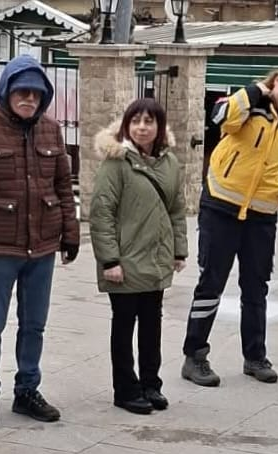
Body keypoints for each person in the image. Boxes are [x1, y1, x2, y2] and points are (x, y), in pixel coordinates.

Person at [0, 54, 79, 428]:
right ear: (6, 91)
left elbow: (63, 185)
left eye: (36, 94)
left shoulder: (51, 130)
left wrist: (70, 233)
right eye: (22, 92)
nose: (29, 99)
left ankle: (27, 390)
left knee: (34, 324)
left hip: (41, 246)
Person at [181, 59, 278, 389]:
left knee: (256, 288)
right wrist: (256, 90)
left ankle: (255, 357)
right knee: (211, 284)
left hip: (261, 217)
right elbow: (220, 117)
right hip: (220, 207)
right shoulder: (247, 105)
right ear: (277, 81)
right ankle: (194, 356)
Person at [88, 97, 188, 415]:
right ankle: (126, 389)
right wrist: (109, 261)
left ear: (159, 126)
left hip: (156, 259)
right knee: (124, 325)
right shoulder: (116, 162)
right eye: (135, 121)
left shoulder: (169, 163)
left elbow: (177, 210)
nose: (142, 127)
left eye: (149, 121)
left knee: (151, 324)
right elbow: (101, 213)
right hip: (125, 261)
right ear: (126, 125)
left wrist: (179, 250)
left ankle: (150, 384)